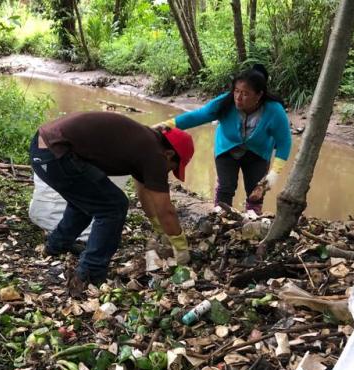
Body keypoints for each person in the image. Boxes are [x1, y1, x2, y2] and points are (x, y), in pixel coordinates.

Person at [29, 111, 195, 296]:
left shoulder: (146, 142)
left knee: (88, 200)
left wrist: (159, 227)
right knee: (113, 207)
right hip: (55, 154)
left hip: (43, 147)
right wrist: (180, 246)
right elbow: (166, 210)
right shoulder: (155, 155)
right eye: (172, 168)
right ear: (169, 154)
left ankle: (56, 246)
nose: (167, 173)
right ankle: (90, 272)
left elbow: (145, 193)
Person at [155, 64, 292, 214]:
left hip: (259, 153)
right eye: (237, 91)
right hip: (227, 147)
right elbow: (198, 116)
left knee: (256, 192)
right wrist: (167, 125)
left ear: (259, 95)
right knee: (226, 187)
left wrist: (274, 174)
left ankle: (252, 219)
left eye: (245, 94)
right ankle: (220, 218)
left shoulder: (274, 111)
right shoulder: (225, 103)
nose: (238, 98)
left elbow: (284, 142)